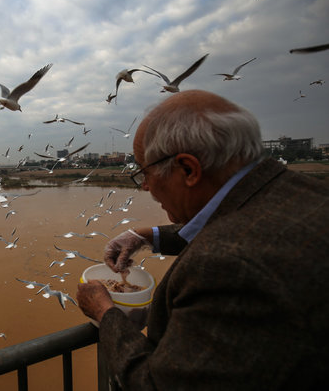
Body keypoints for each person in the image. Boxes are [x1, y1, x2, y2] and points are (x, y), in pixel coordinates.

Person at [76, 90, 329, 390]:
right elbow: (243, 221)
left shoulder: (225, 268)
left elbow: (156, 385)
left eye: (145, 173)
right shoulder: (305, 194)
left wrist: (107, 315)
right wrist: (147, 236)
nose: (144, 187)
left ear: (188, 169)